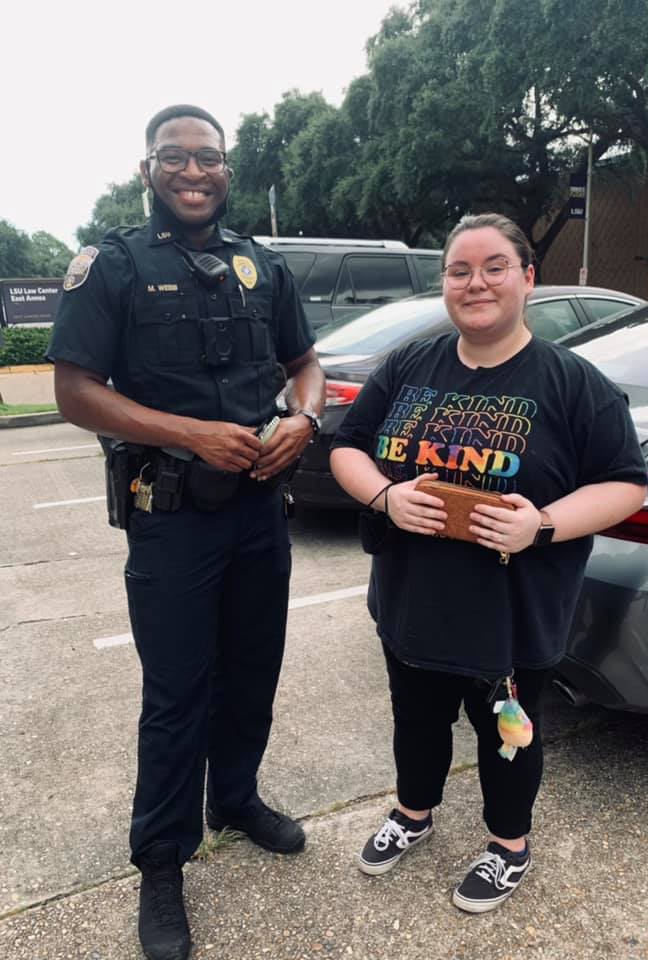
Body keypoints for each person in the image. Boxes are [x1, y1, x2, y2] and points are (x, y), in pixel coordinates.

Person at [47, 104, 325, 960]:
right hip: (170, 518)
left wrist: (304, 422)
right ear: (149, 169)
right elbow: (73, 388)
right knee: (176, 694)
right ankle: (163, 862)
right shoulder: (113, 266)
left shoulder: (261, 264)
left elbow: (303, 364)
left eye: (209, 159)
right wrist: (185, 432)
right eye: (177, 157)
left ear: (227, 172)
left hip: (256, 511)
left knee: (252, 670)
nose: (194, 172)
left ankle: (234, 798)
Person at [329, 212, 647, 914]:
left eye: (494, 266)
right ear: (445, 283)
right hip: (413, 599)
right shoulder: (411, 364)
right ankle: (413, 814)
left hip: (511, 614)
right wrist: (384, 497)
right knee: (414, 719)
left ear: (527, 278)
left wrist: (543, 524)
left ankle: (509, 845)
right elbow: (345, 447)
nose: (476, 283)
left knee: (508, 735)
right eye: (459, 270)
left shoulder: (572, 382)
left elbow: (626, 481)